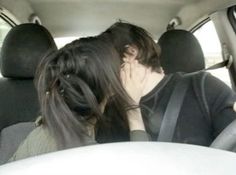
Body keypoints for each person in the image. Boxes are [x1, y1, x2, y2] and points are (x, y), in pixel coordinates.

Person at [9, 36, 149, 162]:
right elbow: (143, 168)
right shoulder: (89, 156)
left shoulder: (39, 134)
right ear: (111, 87)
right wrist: (132, 109)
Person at [96, 21, 236, 146]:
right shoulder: (110, 110)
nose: (102, 71)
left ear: (130, 53)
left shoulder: (203, 87)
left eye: (105, 61)